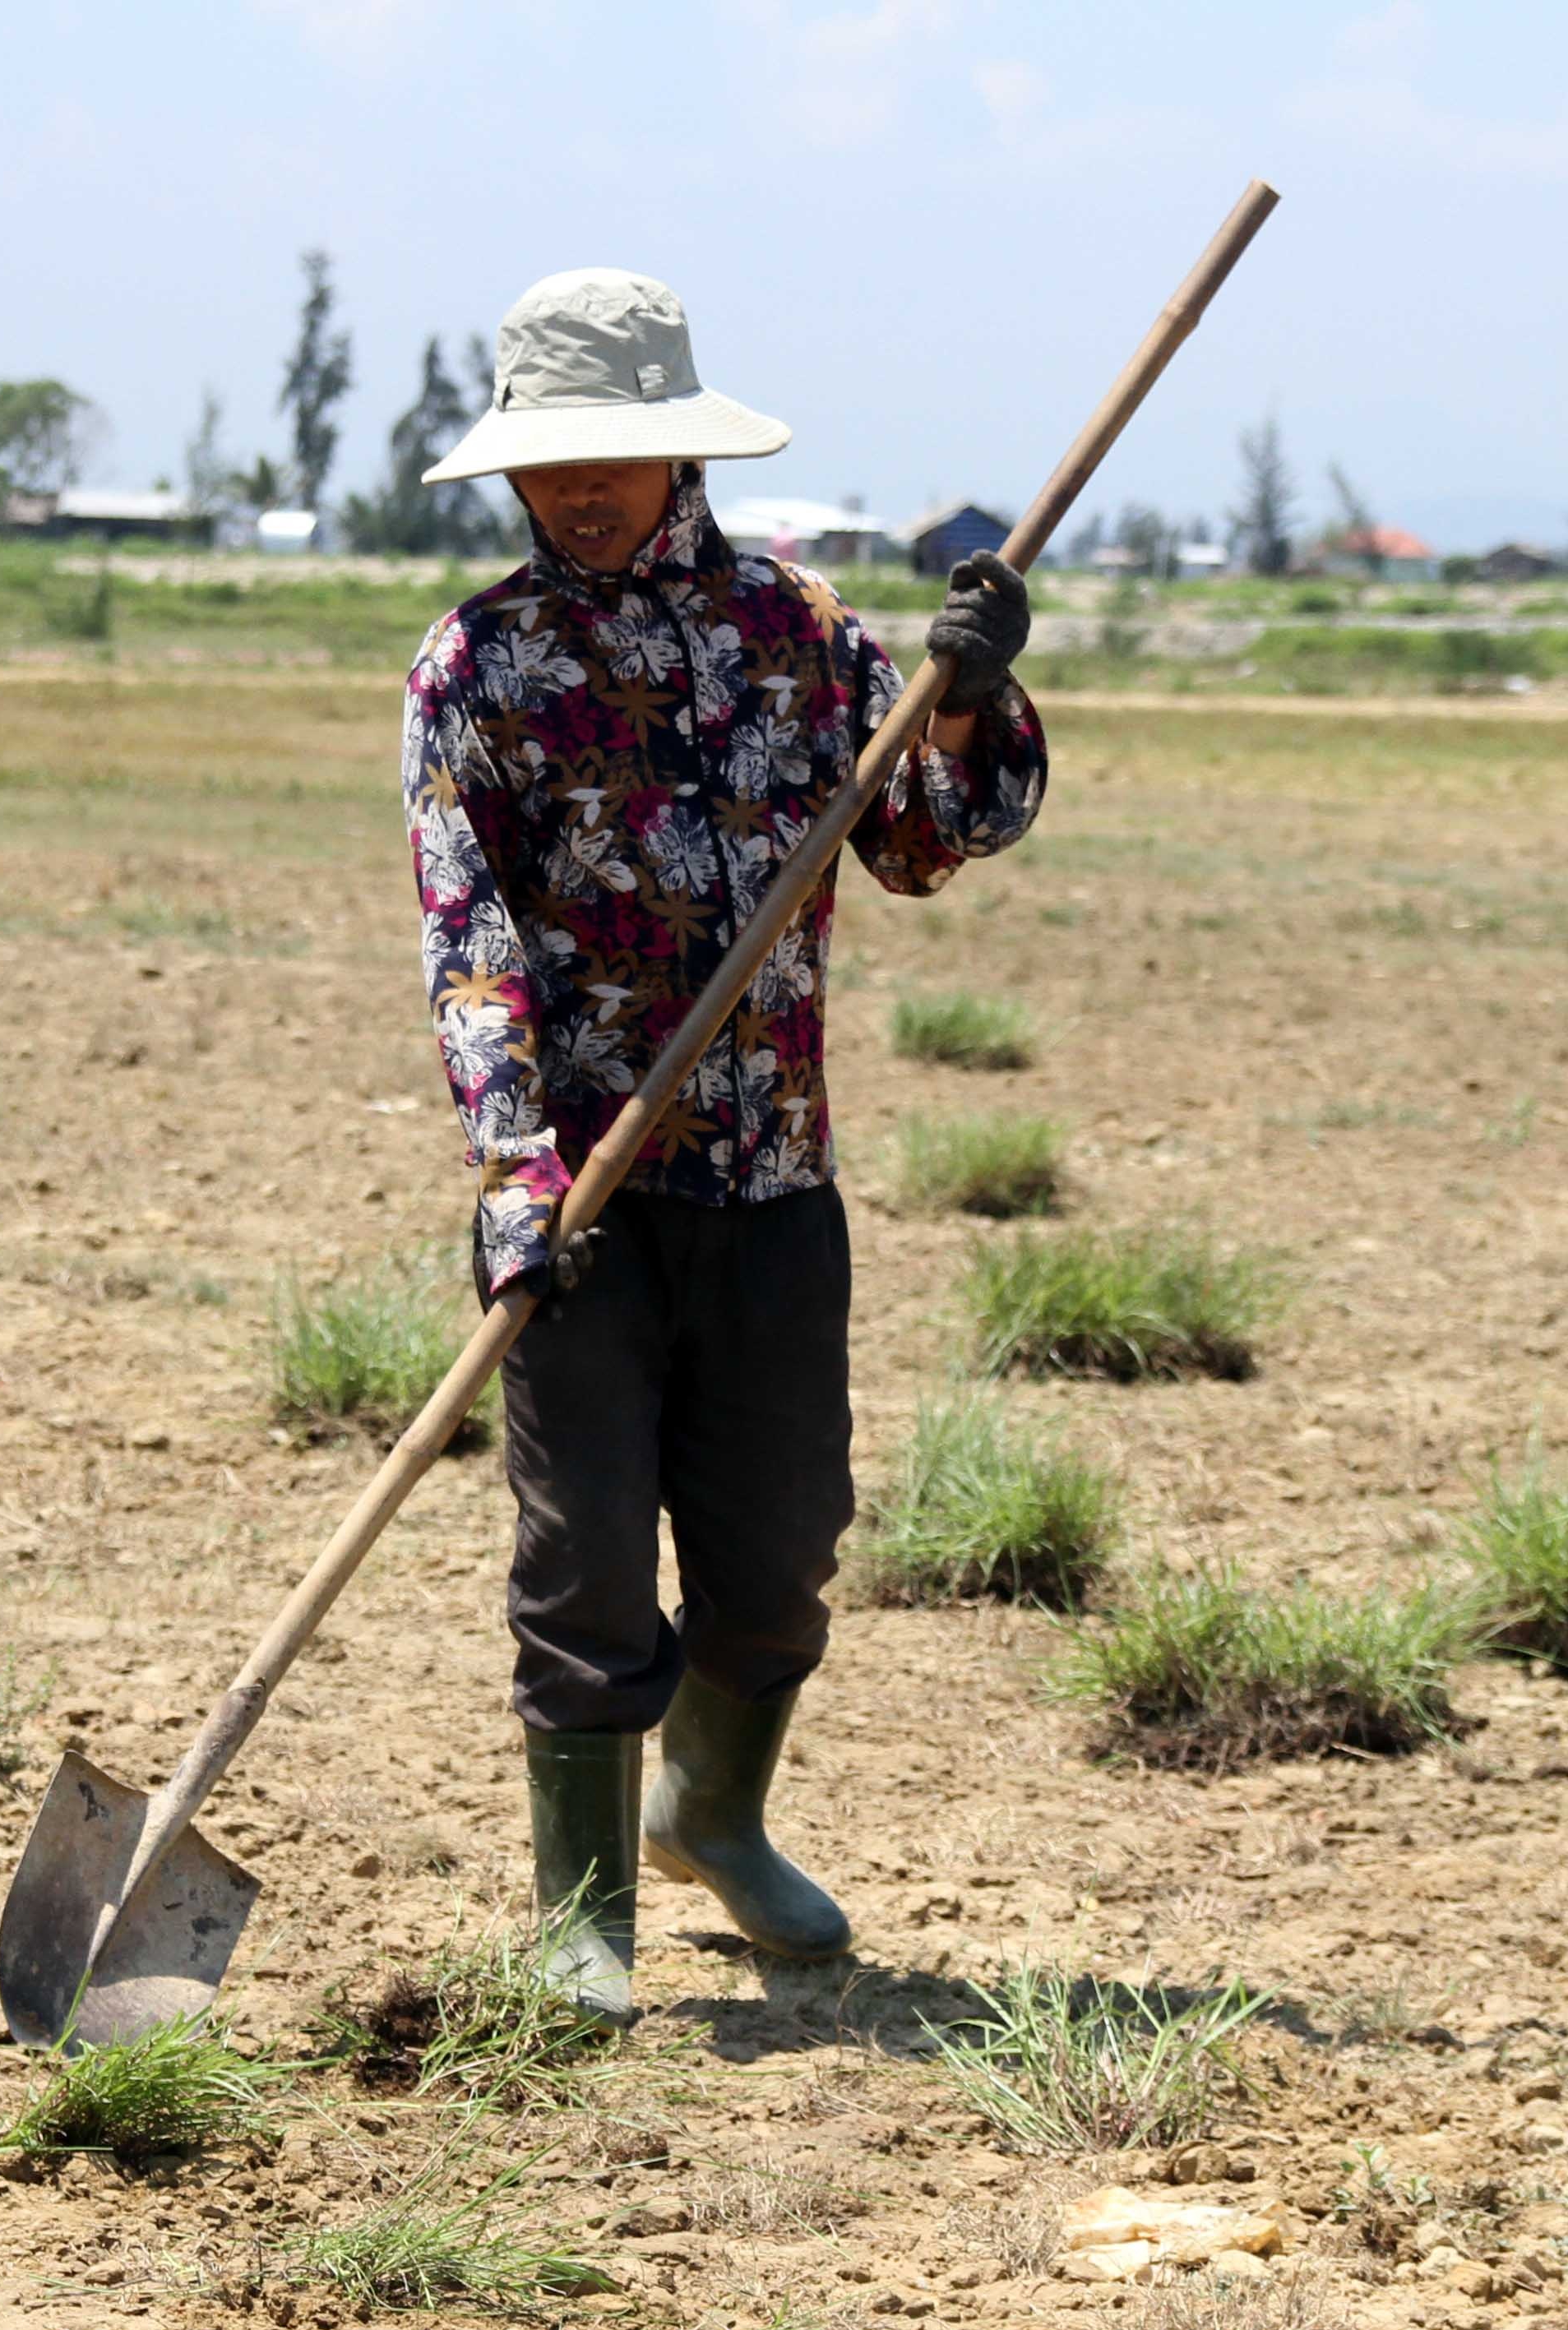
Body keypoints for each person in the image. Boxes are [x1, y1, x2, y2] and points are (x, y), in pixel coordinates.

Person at [400, 269, 1043, 2021]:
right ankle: (584, 1907)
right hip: (585, 1204)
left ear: (679, 450)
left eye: (616, 454)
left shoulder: (806, 636)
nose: (584, 489)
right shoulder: (479, 667)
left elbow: (928, 843)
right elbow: (472, 944)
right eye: (553, 464)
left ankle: (714, 1809)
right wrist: (522, 1173)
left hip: (774, 1188)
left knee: (778, 1556)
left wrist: (967, 699)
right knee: (585, 1558)